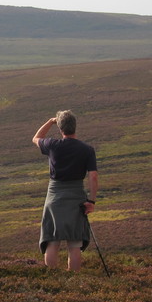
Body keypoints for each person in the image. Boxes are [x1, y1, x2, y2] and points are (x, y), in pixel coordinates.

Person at [32, 110, 99, 271]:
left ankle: (53, 277)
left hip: (54, 196)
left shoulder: (53, 145)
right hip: (76, 197)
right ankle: (74, 280)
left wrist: (50, 121)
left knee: (52, 240)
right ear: (75, 126)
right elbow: (93, 176)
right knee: (74, 243)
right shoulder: (87, 149)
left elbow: (36, 138)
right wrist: (91, 201)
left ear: (60, 128)